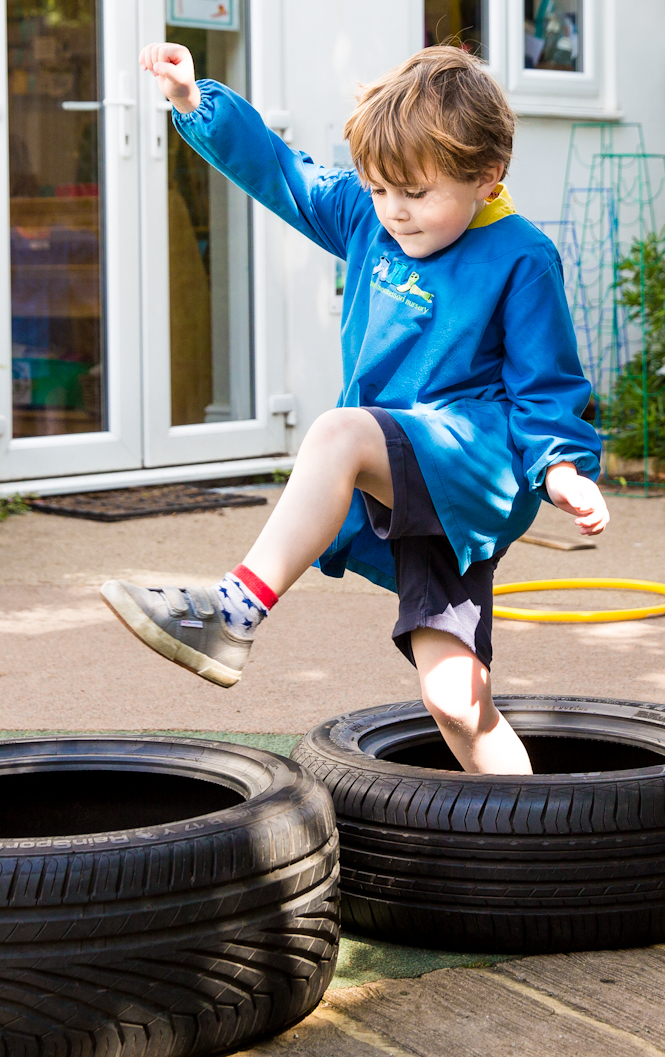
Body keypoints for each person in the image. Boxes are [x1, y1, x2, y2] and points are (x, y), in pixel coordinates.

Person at [101, 42, 608, 773]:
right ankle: (531, 842)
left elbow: (547, 382)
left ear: (487, 175)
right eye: (379, 189)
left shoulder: (522, 255)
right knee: (456, 702)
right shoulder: (371, 219)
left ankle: (232, 613)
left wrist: (561, 468)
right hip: (404, 473)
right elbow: (285, 174)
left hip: (475, 459)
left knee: (339, 433)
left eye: (418, 193)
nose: (395, 211)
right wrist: (194, 103)